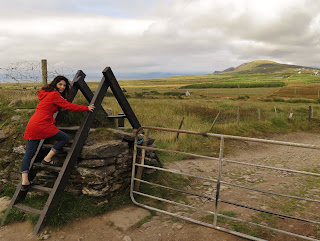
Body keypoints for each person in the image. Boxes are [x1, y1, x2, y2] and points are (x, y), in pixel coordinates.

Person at [21, 75, 95, 191]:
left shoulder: (46, 93)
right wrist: (85, 108)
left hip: (32, 124)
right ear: (55, 84)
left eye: (64, 85)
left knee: (29, 154)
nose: (62, 87)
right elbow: (69, 106)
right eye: (60, 84)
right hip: (42, 124)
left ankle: (25, 181)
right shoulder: (54, 95)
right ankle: (47, 159)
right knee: (64, 138)